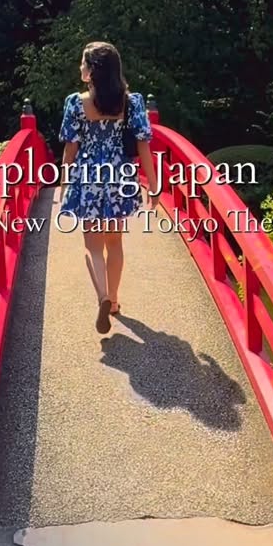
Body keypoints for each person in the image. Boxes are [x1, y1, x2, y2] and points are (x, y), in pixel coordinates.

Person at [58, 42, 159, 334]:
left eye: (83, 64)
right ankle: (113, 301)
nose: (80, 68)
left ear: (92, 72)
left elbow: (70, 147)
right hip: (119, 175)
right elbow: (143, 146)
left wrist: (65, 182)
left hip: (89, 175)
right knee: (115, 242)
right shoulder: (132, 102)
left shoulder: (76, 103)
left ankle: (101, 295)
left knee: (92, 246)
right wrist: (153, 186)